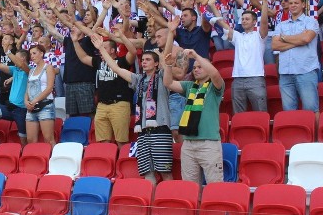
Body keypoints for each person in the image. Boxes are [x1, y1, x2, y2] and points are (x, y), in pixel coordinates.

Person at [92, 35, 173, 184]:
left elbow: (165, 60)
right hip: (142, 133)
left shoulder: (162, 77)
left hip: (160, 130)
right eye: (142, 60)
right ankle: (150, 204)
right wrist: (101, 49)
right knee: (148, 174)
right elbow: (115, 68)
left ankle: (167, 202)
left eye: (148, 60)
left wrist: (171, 34)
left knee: (165, 173)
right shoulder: (138, 79)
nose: (143, 62)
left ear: (156, 64)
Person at [163, 49, 225, 185]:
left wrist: (196, 55)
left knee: (215, 186)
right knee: (189, 188)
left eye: (200, 67)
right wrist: (168, 66)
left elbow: (215, 73)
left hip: (209, 144)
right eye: (194, 67)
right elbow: (168, 83)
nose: (195, 70)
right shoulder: (190, 86)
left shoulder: (215, 87)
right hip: (189, 144)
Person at [222, 0, 269, 113]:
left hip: (256, 79)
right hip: (237, 79)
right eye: (242, 19)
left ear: (254, 22)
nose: (243, 21)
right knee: (238, 115)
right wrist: (212, 6)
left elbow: (264, 22)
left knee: (261, 113)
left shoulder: (259, 36)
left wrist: (264, 2)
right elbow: (223, 25)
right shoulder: (238, 36)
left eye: (247, 19)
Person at [272, 0, 320, 112]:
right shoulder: (281, 25)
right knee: (288, 111)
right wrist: (298, 40)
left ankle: (314, 132)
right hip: (285, 73)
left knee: (311, 109)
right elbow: (274, 45)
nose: (293, 5)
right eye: (291, 3)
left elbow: (306, 39)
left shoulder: (311, 22)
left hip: (305, 71)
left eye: (296, 3)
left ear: (303, 4)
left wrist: (285, 38)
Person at [24, 44, 57, 145]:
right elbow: (27, 89)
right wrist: (26, 101)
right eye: (31, 54)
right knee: (30, 139)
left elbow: (49, 88)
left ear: (42, 53)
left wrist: (35, 100)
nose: (32, 56)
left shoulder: (49, 68)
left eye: (34, 53)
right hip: (31, 107)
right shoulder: (31, 71)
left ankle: (53, 159)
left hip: (45, 105)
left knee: (48, 138)